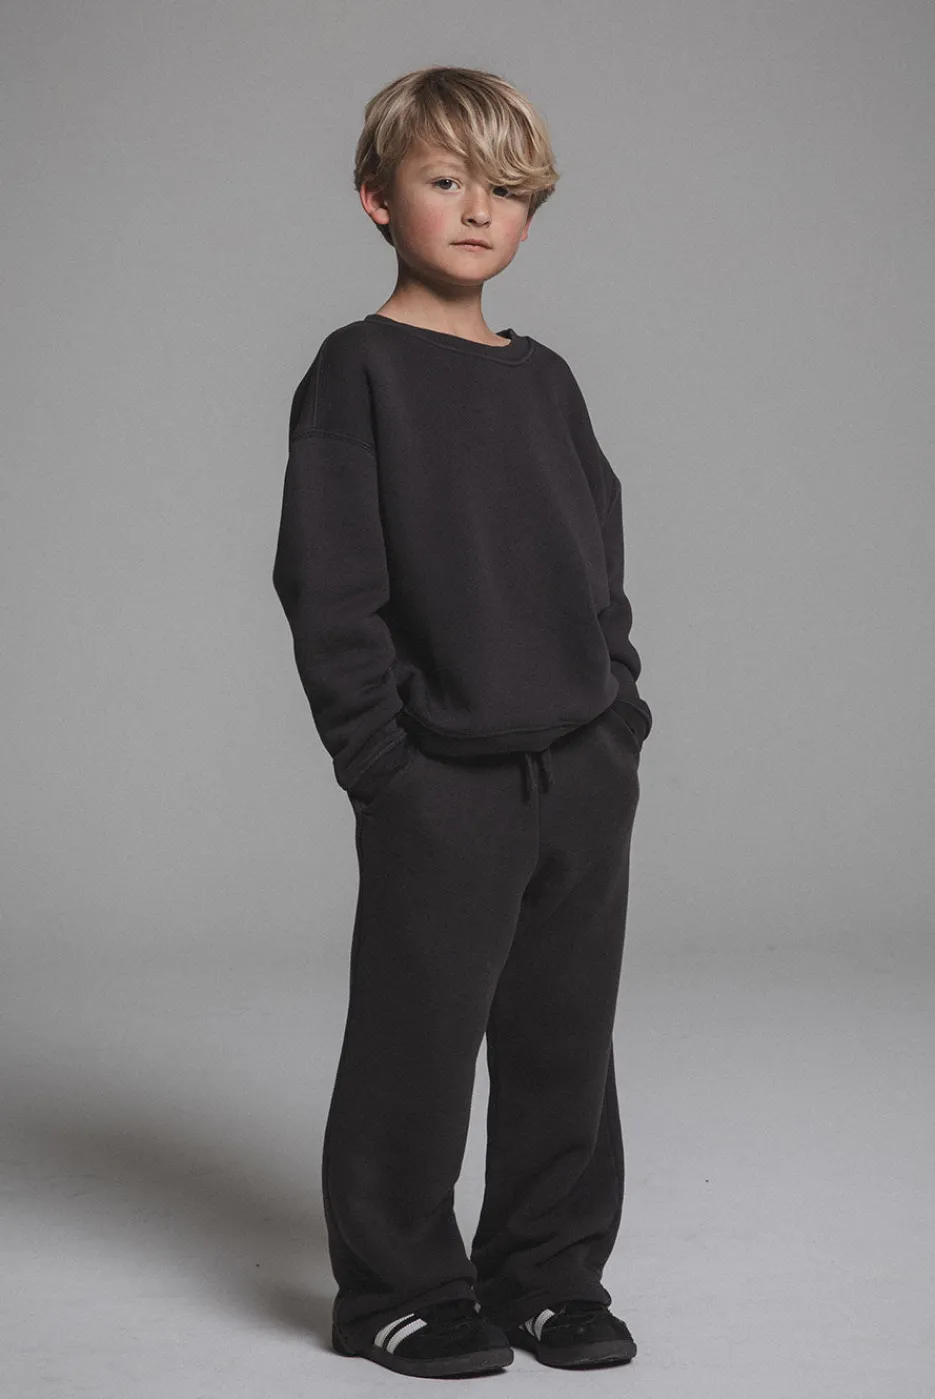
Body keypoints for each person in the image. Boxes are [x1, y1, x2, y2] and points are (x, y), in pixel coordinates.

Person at [272, 65, 653, 1380]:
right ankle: (396, 1287)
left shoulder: (546, 381)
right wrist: (385, 762)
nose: (479, 209)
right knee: (415, 1041)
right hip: (441, 778)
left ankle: (546, 1273)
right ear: (377, 199)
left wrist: (616, 716)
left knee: (565, 1038)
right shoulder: (357, 371)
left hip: (579, 765)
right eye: (446, 181)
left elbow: (597, 559)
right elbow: (328, 583)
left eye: (505, 188)